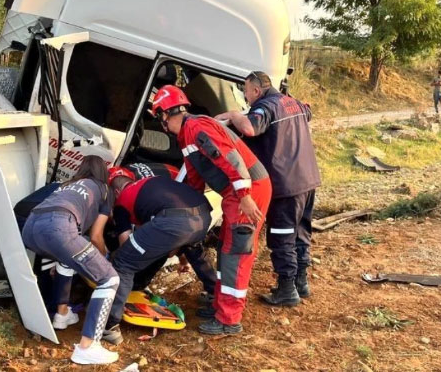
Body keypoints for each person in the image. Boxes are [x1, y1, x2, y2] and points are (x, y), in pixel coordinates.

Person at [149, 85, 272, 335]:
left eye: (159, 117)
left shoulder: (197, 128)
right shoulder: (187, 134)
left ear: (164, 114)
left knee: (235, 252)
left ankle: (229, 319)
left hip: (247, 191)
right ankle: (220, 305)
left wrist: (245, 196)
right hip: (237, 192)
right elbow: (194, 179)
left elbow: (232, 161)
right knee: (226, 246)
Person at [215, 71, 321, 307]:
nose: (245, 97)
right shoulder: (292, 102)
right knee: (301, 233)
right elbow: (308, 112)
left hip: (286, 185)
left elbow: (251, 129)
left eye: (246, 92)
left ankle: (286, 289)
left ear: (256, 90)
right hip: (309, 180)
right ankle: (301, 283)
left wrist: (234, 115)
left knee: (282, 237)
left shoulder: (265, 107)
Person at [21, 155, 119, 365]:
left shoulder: (66, 185)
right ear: (104, 172)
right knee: (110, 279)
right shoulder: (104, 189)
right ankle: (88, 346)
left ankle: (62, 315)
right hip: (60, 227)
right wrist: (104, 261)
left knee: (66, 261)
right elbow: (96, 236)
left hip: (30, 229)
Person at [102, 166, 213, 344]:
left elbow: (126, 244)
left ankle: (110, 325)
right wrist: (183, 259)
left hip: (174, 222)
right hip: (202, 214)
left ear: (115, 191)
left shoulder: (122, 200)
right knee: (191, 251)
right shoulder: (151, 183)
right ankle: (217, 297)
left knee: (124, 262)